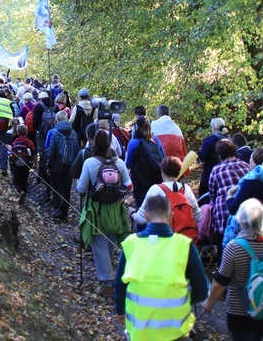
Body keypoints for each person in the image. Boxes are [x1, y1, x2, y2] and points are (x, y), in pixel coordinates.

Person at [115, 195, 209, 341]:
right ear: (171, 216)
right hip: (176, 331)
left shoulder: (130, 244)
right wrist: (180, 298)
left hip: (140, 332)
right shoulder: (184, 245)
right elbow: (202, 290)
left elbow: (120, 284)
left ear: (146, 217)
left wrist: (120, 309)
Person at [202, 198, 263, 341]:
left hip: (239, 313)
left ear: (241, 221)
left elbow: (220, 282)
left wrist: (209, 303)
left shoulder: (234, 248)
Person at [77, 129, 133, 296]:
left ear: (94, 143)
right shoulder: (119, 163)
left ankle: (107, 282)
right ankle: (108, 278)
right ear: (110, 144)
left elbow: (81, 188)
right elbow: (129, 187)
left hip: (96, 209)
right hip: (115, 209)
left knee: (100, 244)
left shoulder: (90, 163)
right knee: (110, 243)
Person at [130, 156, 202, 229]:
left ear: (163, 172)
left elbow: (141, 219)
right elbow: (198, 217)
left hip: (163, 237)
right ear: (179, 171)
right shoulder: (186, 189)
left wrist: (132, 213)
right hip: (185, 237)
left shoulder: (155, 190)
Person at [208, 139, 249, 257]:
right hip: (245, 211)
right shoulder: (245, 166)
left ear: (219, 155)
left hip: (224, 212)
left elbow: (212, 194)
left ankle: (223, 270)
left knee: (224, 247)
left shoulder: (216, 170)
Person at [125, 116, 166, 210]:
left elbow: (128, 164)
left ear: (137, 127)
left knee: (142, 208)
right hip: (156, 179)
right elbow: (164, 158)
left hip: (140, 181)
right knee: (155, 207)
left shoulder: (133, 143)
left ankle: (142, 224)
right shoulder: (156, 141)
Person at [45, 111, 79, 221]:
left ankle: (57, 210)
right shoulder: (73, 133)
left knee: (55, 187)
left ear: (56, 120)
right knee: (67, 189)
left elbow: (51, 151)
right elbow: (76, 150)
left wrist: (48, 166)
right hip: (69, 167)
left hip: (56, 166)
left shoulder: (55, 133)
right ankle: (65, 212)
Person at [197, 117, 230, 200]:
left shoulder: (209, 141)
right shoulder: (230, 140)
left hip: (211, 171)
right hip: (228, 171)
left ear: (214, 128)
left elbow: (203, 157)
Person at [8, 124, 36, 205]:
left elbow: (12, 154)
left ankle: (20, 191)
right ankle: (24, 194)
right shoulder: (29, 142)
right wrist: (34, 162)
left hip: (16, 165)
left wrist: (11, 163)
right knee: (25, 180)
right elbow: (33, 152)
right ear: (26, 132)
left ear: (17, 133)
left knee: (16, 180)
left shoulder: (15, 142)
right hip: (26, 165)